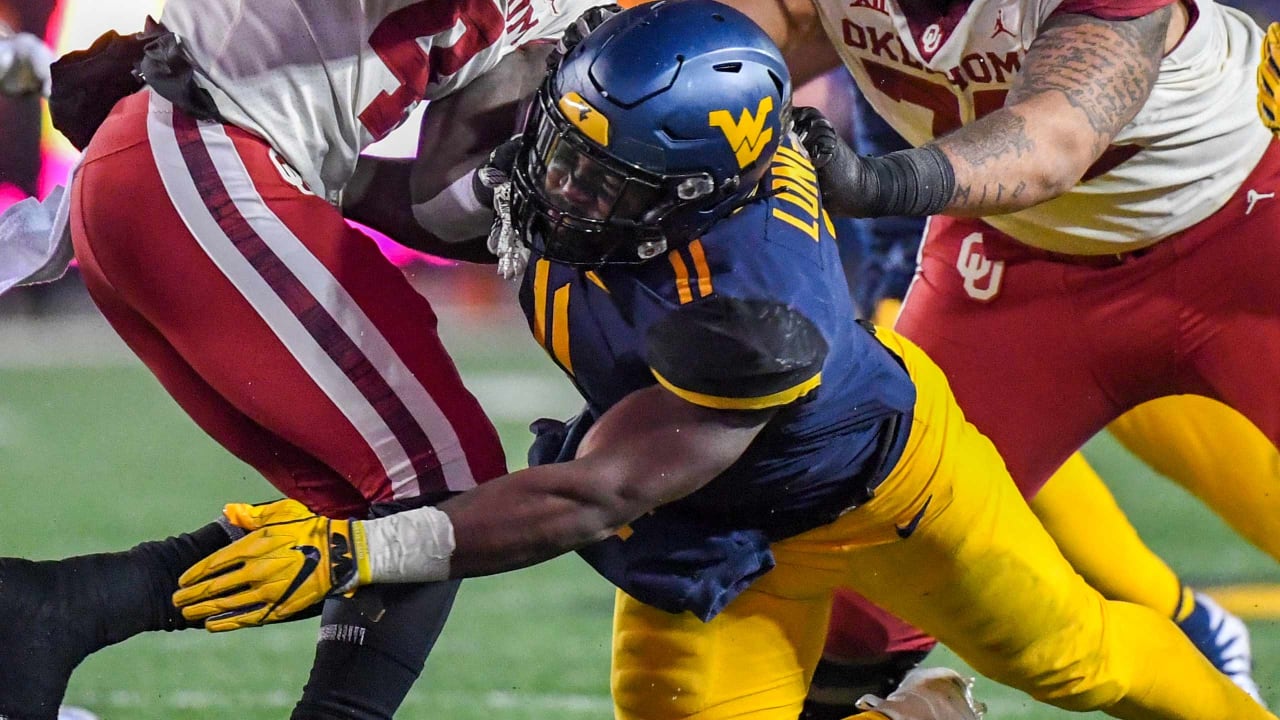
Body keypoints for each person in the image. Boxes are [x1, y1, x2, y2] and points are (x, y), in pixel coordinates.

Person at [170, 3, 1274, 719]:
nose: (555, 187)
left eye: (601, 183)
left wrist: (356, 553)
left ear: (693, 199)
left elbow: (592, 493)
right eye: (564, 148)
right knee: (844, 656)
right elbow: (686, 57)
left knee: (1071, 661)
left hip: (896, 472)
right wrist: (237, 135)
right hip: (751, 483)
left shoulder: (751, 302)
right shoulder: (605, 163)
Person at [0, 1, 608, 719]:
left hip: (190, 169)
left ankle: (53, 612)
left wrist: (524, 192)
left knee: (374, 521)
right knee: (441, 485)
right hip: (200, 152)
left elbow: (440, 204)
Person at [726, 0, 1280, 708]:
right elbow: (733, 48)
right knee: (858, 587)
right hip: (1015, 257)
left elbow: (1053, 143)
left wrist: (872, 184)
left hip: (1248, 230)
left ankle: (1187, 627)